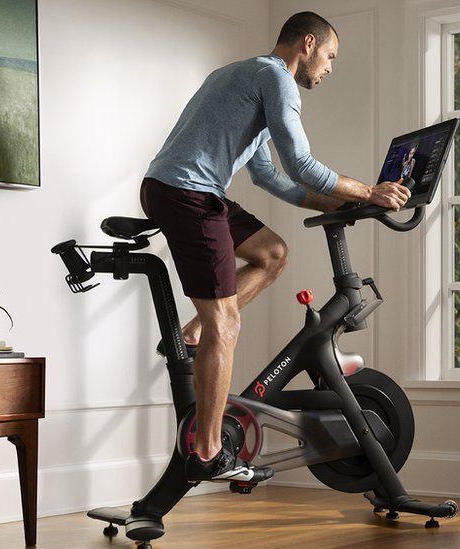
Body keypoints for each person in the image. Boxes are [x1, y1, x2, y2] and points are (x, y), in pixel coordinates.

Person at [139, 12, 410, 484]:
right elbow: (301, 163)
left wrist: (334, 201)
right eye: (329, 56)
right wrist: (368, 191)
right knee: (227, 325)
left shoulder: (243, 75)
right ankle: (207, 453)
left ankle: (191, 336)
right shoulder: (276, 79)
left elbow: (268, 175)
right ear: (308, 43)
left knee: (273, 253)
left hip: (189, 190)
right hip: (188, 193)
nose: (328, 68)